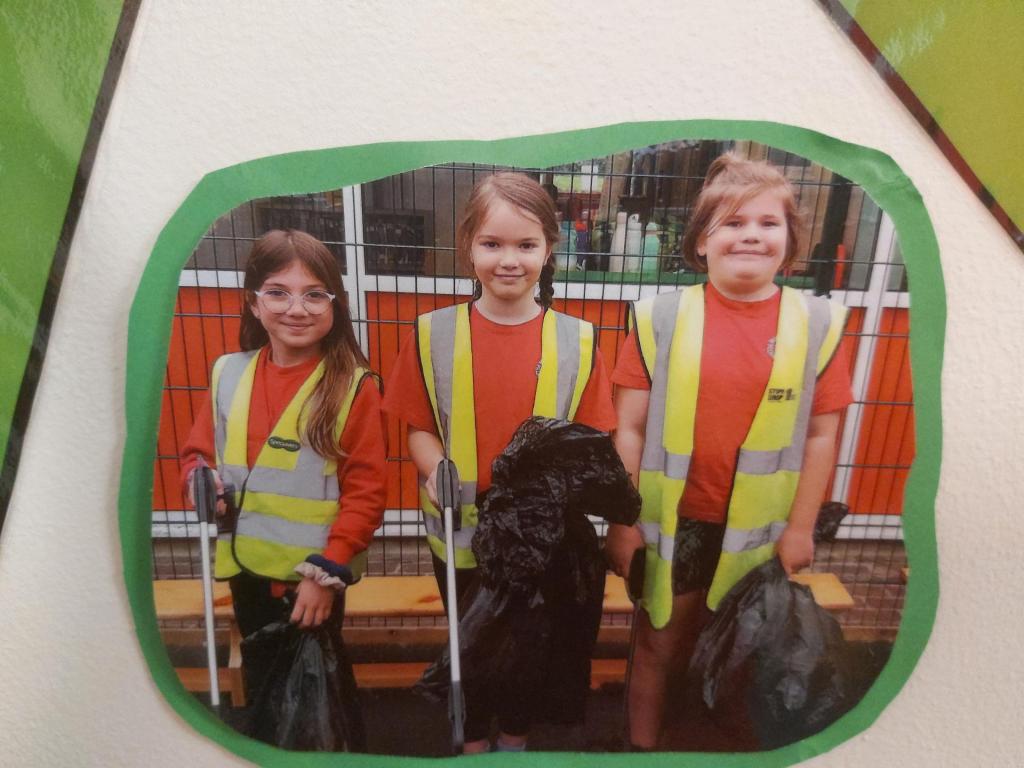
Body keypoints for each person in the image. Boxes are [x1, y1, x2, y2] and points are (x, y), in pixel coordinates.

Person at [605, 153, 853, 750]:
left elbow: (821, 436)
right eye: (733, 222)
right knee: (659, 644)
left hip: (763, 534)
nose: (751, 235)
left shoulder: (818, 325)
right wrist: (623, 523)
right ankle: (642, 751)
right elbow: (629, 428)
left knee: (744, 655)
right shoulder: (659, 319)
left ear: (791, 241)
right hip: (673, 526)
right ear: (701, 241)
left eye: (768, 223)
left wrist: (800, 529)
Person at [383, 172, 616, 753]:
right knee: (471, 646)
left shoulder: (579, 341)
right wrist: (434, 467)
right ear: (468, 247)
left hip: (539, 540)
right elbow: (417, 426)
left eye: (525, 244)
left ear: (549, 249)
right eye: (492, 243)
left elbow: (588, 442)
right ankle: (472, 746)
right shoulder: (431, 334)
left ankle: (514, 743)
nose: (508, 260)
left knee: (527, 646)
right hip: (461, 532)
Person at [180, 229, 386, 743]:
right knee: (266, 686)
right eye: (278, 292)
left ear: (335, 304)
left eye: (314, 294)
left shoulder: (352, 386)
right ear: (253, 303)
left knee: (312, 699)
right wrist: (199, 480)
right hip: (245, 569)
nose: (297, 308)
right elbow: (198, 453)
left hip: (311, 577)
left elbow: (366, 489)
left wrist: (326, 573)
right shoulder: (228, 374)